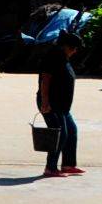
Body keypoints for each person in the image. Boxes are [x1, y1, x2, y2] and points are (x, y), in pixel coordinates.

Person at [37, 32, 84, 176]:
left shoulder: (62, 57)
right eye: (73, 48)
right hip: (52, 104)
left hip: (62, 106)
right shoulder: (53, 56)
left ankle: (68, 165)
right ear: (65, 46)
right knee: (60, 134)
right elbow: (45, 80)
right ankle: (50, 168)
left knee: (72, 131)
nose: (75, 51)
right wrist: (45, 102)